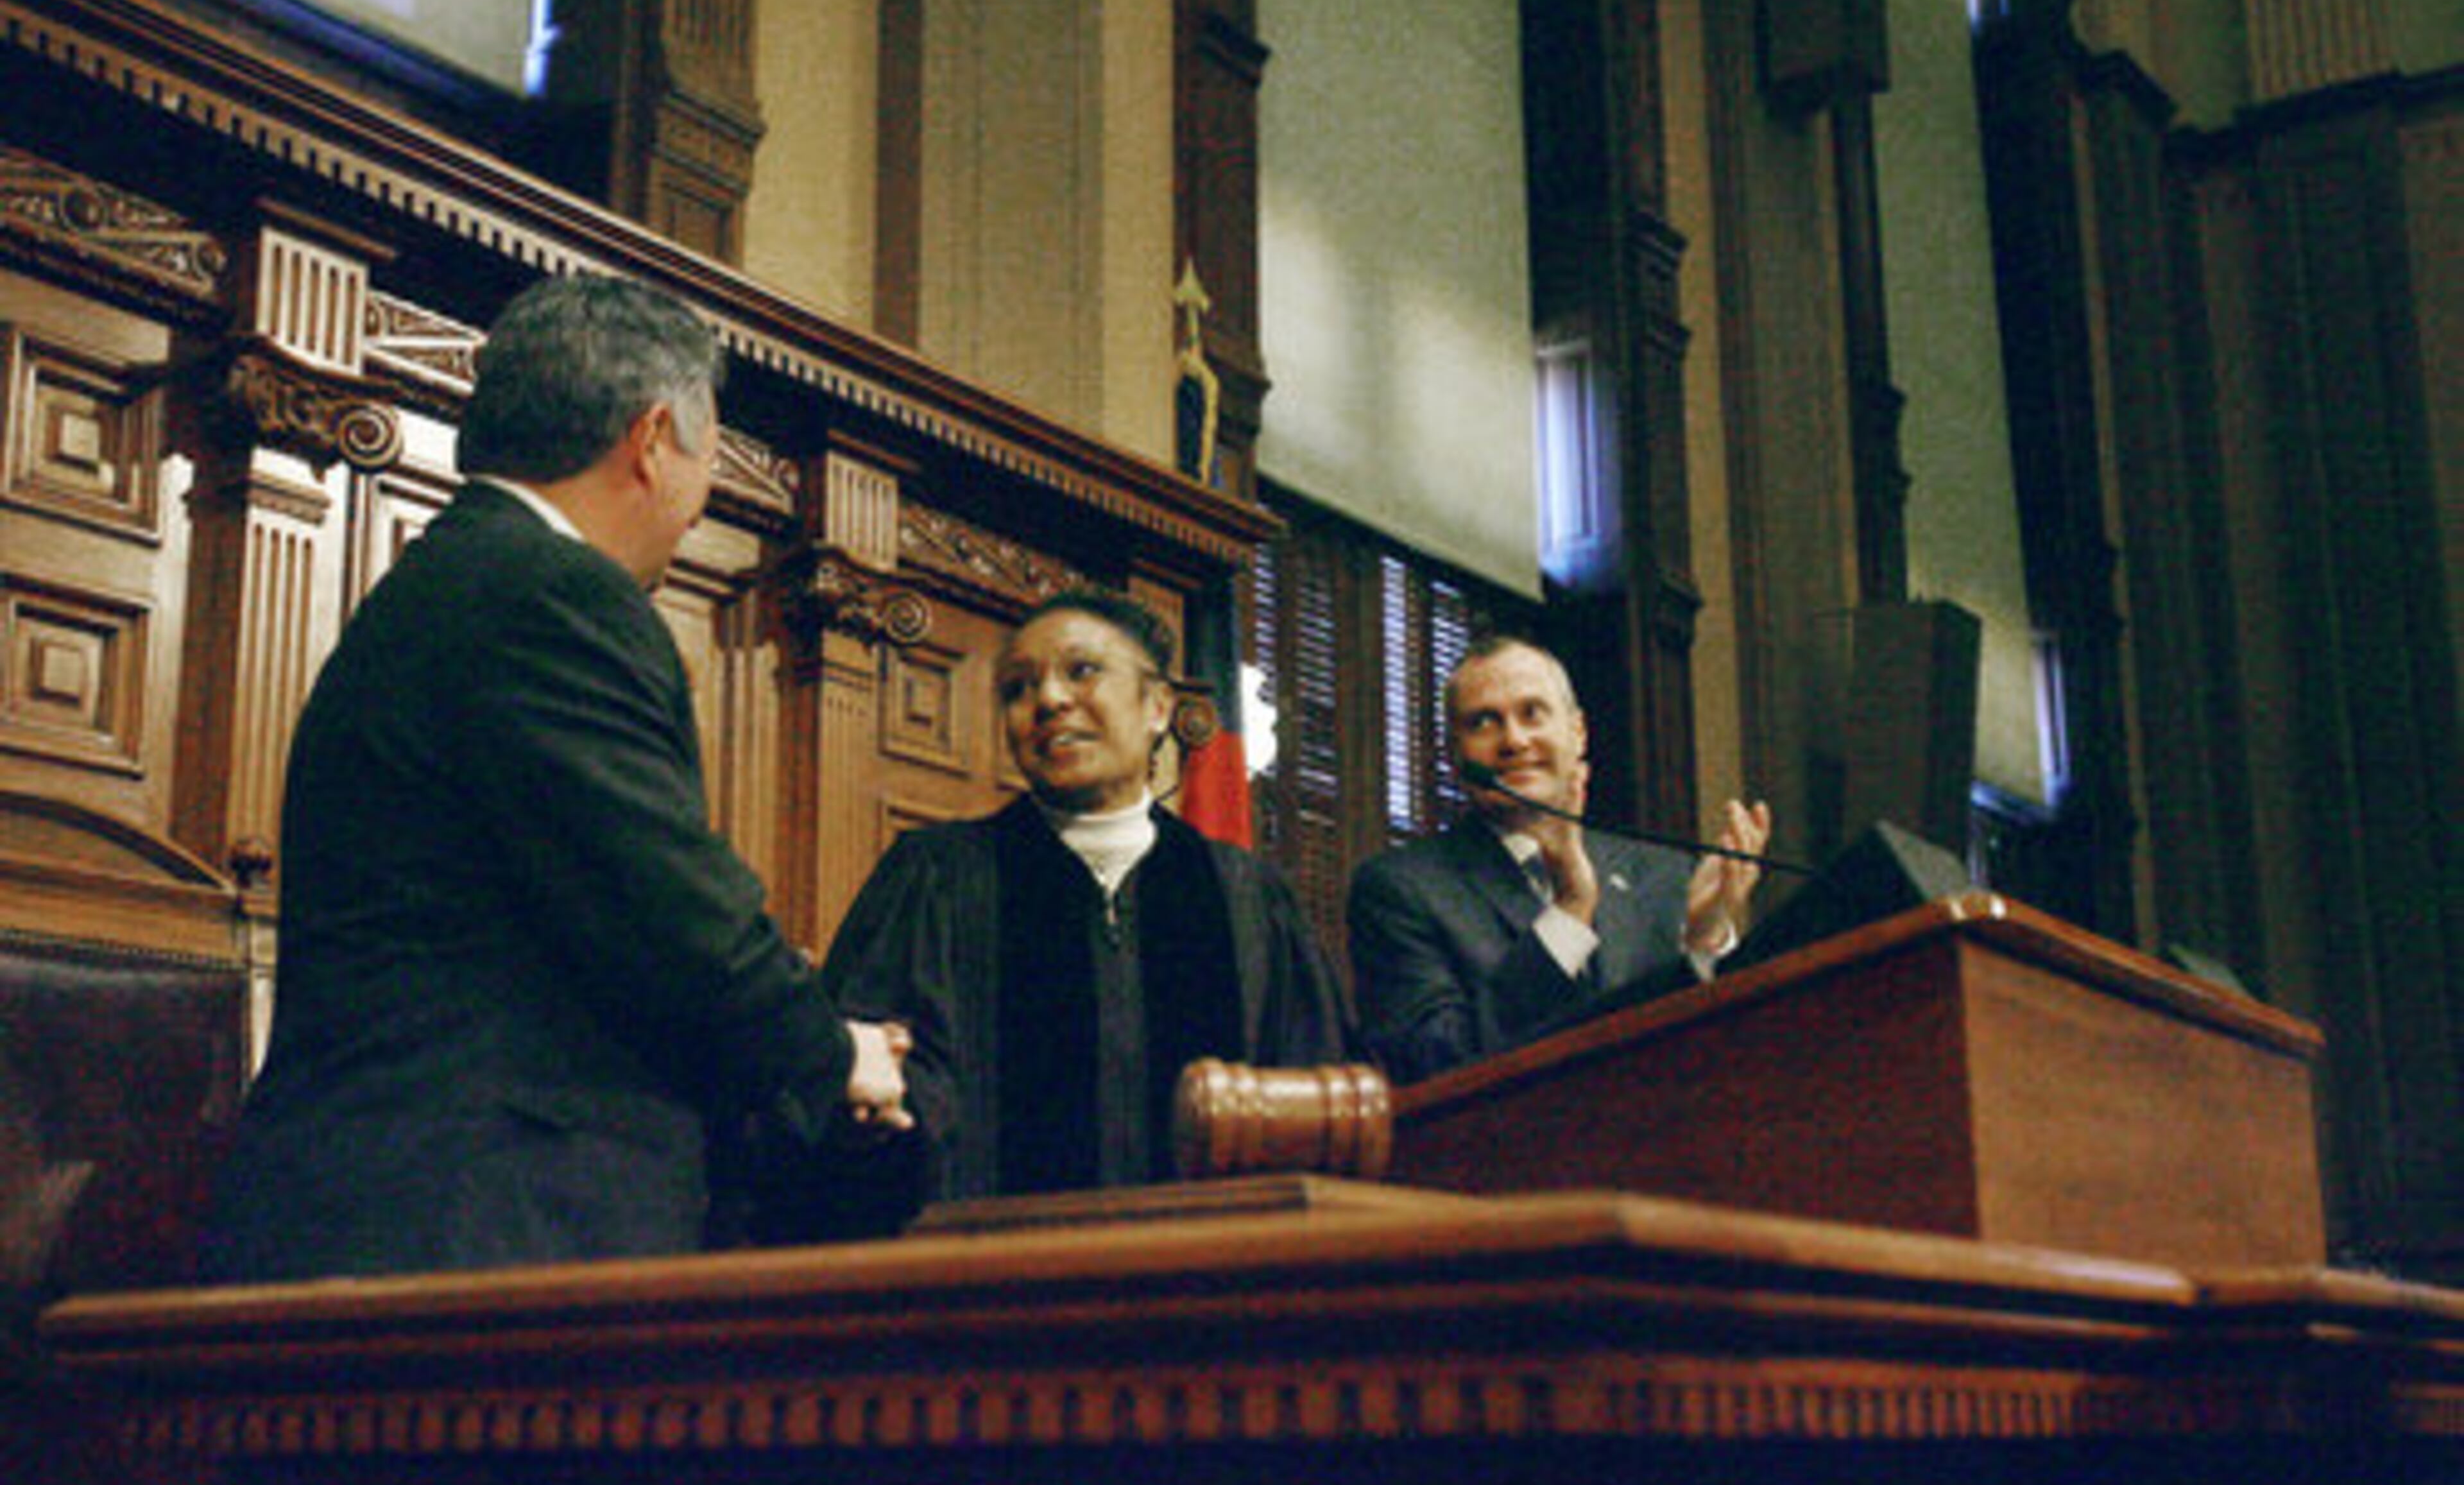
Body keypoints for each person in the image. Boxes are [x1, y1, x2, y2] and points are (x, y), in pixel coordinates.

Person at [199, 274, 910, 1282]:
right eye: (709, 460)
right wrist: (836, 1055)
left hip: (396, 1215)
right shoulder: (555, 593)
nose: (700, 505)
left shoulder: (455, 578)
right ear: (652, 439)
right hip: (472, 1230)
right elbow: (667, 907)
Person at [780, 588, 1351, 1221]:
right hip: (991, 1267)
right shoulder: (937, 877)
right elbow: (871, 1090)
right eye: (1018, 688)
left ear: (1157, 707)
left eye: (1081, 671)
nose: (1048, 699)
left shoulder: (1247, 897)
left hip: (1214, 1266)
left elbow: (1316, 1101)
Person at [1346, 635, 1772, 1084]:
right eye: (1483, 722)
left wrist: (1705, 943)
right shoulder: (1400, 889)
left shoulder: (1663, 876)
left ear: (1578, 733)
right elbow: (1434, 1066)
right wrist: (1569, 913)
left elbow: (1729, 1055)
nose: (1514, 740)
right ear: (1454, 757)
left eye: (1532, 713)